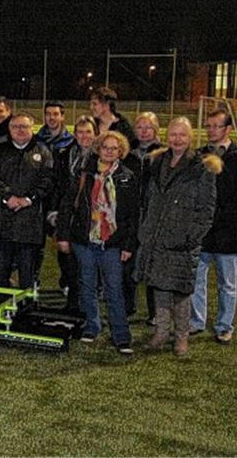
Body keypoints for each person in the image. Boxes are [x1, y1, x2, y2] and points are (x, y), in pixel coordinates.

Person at [137, 117, 220, 356]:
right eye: (173, 134)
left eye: (182, 135)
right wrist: (146, 229)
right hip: (157, 236)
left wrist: (192, 236)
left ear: (191, 137)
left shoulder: (201, 166)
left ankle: (182, 336)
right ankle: (162, 332)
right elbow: (148, 199)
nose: (177, 139)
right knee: (158, 287)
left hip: (181, 239)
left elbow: (206, 209)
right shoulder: (157, 161)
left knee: (180, 291)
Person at [56, 131, 140, 354]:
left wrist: (128, 245)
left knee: (114, 289)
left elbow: (132, 215)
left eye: (115, 148)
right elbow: (67, 205)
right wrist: (63, 235)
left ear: (121, 151)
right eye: (106, 147)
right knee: (87, 285)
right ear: (98, 149)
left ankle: (121, 335)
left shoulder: (127, 176)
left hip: (112, 242)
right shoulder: (85, 174)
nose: (110, 151)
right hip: (85, 240)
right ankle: (92, 326)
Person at [191, 109, 237, 344]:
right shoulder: (198, 155)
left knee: (227, 283)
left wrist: (213, 215)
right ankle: (196, 321)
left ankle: (224, 325)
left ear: (228, 129)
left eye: (216, 126)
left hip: (227, 231)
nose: (210, 130)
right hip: (202, 231)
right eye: (208, 126)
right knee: (197, 279)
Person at [0, 113, 54, 290]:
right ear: (9, 129)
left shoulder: (43, 151)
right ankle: (0, 307)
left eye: (25, 126)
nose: (20, 130)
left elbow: (47, 181)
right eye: (16, 126)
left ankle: (27, 310)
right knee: (0, 269)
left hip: (30, 224)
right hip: (3, 222)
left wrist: (28, 199)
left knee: (27, 271)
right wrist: (7, 197)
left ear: (32, 128)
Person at [49, 116, 99, 310]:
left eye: (88, 132)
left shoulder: (100, 157)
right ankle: (72, 301)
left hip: (89, 217)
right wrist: (54, 212)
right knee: (66, 258)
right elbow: (56, 185)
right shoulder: (65, 154)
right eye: (80, 132)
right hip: (66, 213)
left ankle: (83, 304)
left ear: (95, 134)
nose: (84, 136)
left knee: (84, 264)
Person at [125, 112, 164, 324]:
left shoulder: (163, 153)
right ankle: (128, 305)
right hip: (131, 214)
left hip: (152, 214)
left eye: (148, 127)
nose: (143, 131)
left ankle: (155, 312)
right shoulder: (127, 152)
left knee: (152, 263)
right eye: (139, 127)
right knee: (128, 261)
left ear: (156, 130)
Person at [32, 100, 75, 286]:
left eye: (55, 114)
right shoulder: (36, 140)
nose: (51, 117)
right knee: (36, 243)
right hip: (40, 199)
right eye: (48, 114)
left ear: (62, 116)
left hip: (62, 200)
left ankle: (67, 281)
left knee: (64, 243)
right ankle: (34, 280)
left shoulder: (71, 142)